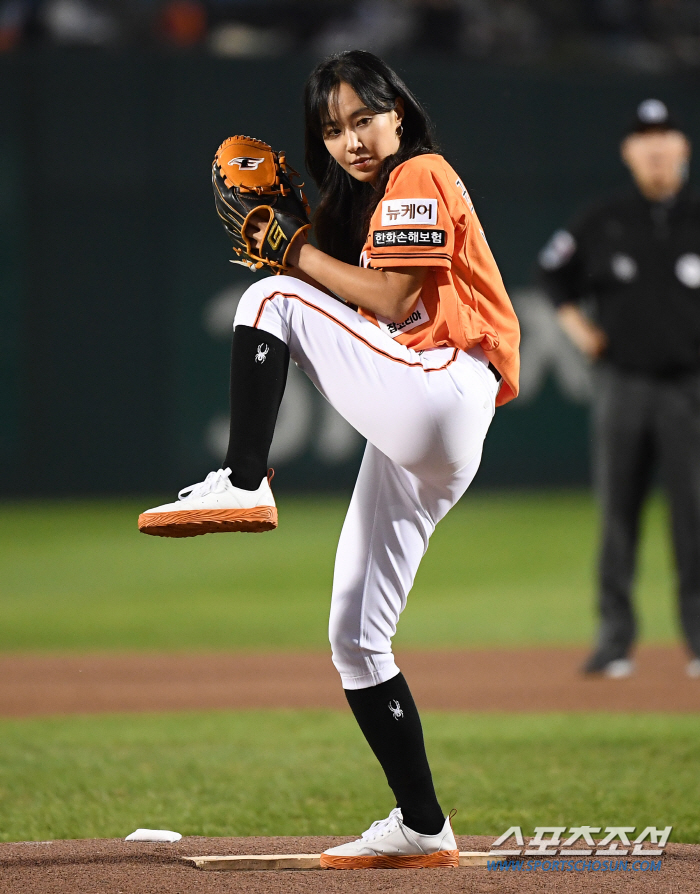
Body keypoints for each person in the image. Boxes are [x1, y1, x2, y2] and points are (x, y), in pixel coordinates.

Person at [139, 50, 519, 868]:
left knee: (270, 297)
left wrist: (294, 252)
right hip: (427, 431)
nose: (350, 138)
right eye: (332, 128)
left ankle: (243, 482)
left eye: (362, 118)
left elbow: (390, 300)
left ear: (399, 115)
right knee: (355, 637)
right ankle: (421, 822)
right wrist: (307, 232)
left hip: (447, 386)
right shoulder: (376, 197)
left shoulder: (421, 171)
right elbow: (365, 292)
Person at [538, 99, 700, 679]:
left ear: (683, 147)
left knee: (695, 516)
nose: (656, 146)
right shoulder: (602, 220)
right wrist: (579, 328)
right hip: (623, 385)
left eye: (666, 135)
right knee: (617, 516)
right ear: (629, 152)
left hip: (690, 389)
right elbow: (551, 272)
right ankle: (614, 639)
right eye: (644, 137)